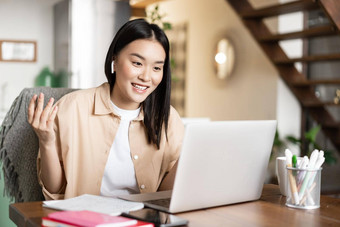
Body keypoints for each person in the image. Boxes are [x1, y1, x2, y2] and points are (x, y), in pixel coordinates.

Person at [27, 19, 185, 200]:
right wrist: (46, 142)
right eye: (137, 63)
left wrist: (187, 161)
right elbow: (54, 189)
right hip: (85, 218)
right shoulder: (72, 108)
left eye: (157, 67)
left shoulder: (168, 118)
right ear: (114, 59)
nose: (146, 77)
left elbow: (164, 196)